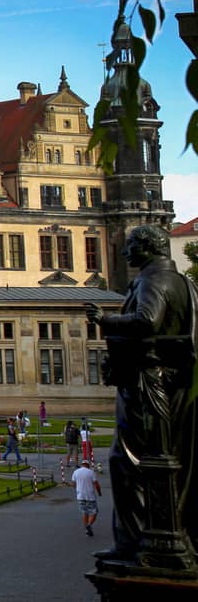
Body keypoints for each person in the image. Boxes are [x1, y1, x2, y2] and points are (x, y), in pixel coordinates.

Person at [86, 223, 198, 563]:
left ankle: (140, 541)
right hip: (169, 381)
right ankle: (164, 534)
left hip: (149, 380)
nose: (124, 252)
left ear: (149, 247)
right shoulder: (183, 282)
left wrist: (104, 320)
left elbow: (148, 321)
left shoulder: (155, 280)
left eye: (131, 245)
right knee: (160, 460)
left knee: (130, 462)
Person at [72, 460, 102, 537]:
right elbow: (96, 484)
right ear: (88, 465)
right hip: (90, 496)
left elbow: (73, 484)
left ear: (82, 464)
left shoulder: (75, 472)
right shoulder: (91, 472)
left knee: (85, 512)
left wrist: (78, 490)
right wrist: (99, 493)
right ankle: (89, 525)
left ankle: (87, 530)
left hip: (80, 496)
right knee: (94, 512)